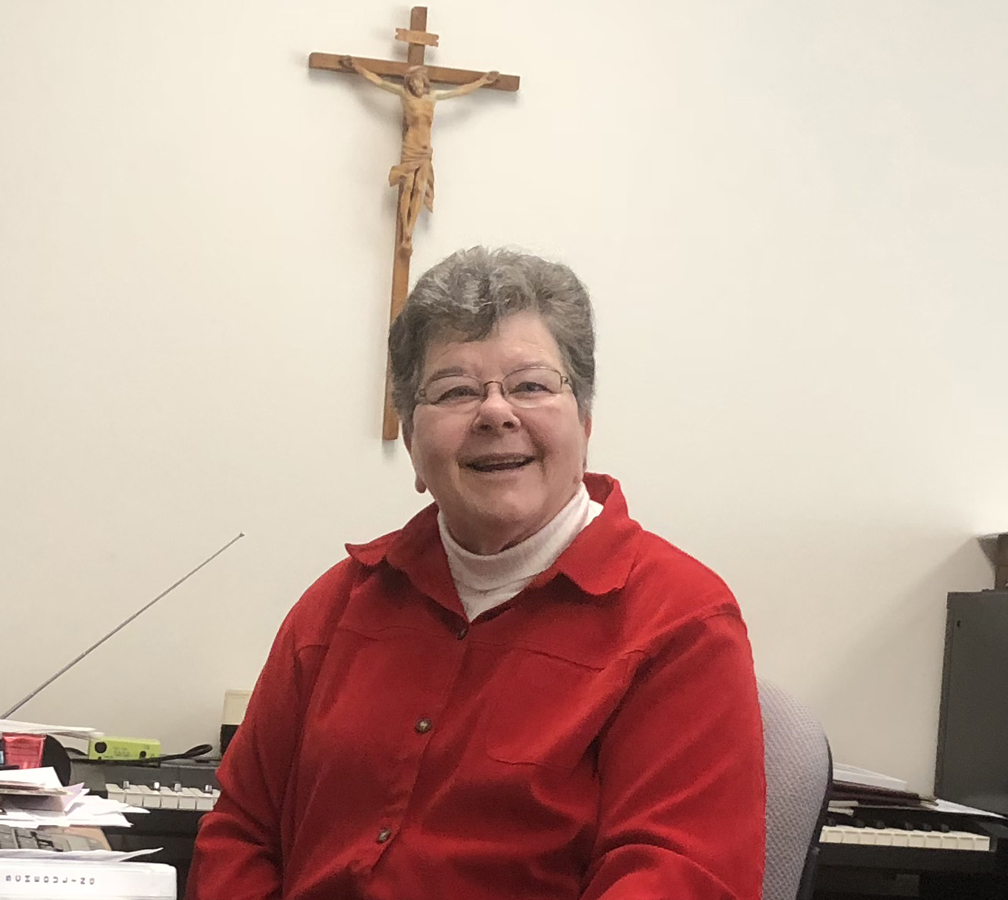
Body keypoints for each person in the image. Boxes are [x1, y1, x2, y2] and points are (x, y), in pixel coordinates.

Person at [187, 247, 765, 900]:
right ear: (410, 441)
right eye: (456, 391)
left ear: (586, 423)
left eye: (531, 386)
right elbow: (242, 831)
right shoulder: (339, 605)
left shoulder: (680, 623)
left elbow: (677, 880)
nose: (495, 413)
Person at [340, 58, 499, 253]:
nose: (416, 85)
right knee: (408, 185)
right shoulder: (404, 96)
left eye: (420, 81)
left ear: (425, 82)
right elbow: (378, 82)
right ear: (409, 83)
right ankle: (405, 229)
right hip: (411, 146)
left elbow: (459, 91)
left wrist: (483, 81)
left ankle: (409, 234)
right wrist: (357, 68)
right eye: (413, 82)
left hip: (425, 149)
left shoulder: (432, 98)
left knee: (420, 187)